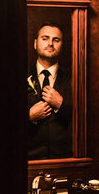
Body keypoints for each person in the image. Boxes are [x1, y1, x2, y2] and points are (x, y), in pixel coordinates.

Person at [27, 22, 72, 160]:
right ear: (35, 43)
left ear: (61, 45)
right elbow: (4, 119)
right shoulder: (18, 75)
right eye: (45, 38)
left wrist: (61, 105)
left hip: (64, 158)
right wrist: (28, 116)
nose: (50, 43)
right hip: (28, 158)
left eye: (56, 40)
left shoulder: (74, 77)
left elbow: (86, 118)